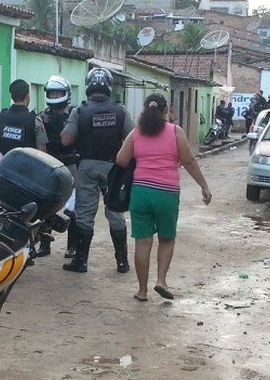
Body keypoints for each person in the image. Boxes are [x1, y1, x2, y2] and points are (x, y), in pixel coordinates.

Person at [115, 93, 212, 302]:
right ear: (166, 110)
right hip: (166, 193)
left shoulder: (135, 133)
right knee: (166, 238)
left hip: (140, 193)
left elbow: (121, 160)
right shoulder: (175, 132)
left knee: (143, 242)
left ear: (144, 110)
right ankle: (161, 280)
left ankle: (142, 291)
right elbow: (189, 162)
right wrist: (204, 186)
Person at [60, 68, 133, 274]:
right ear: (109, 86)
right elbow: (132, 137)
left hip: (87, 165)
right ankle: (122, 262)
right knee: (116, 212)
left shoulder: (80, 110)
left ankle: (81, 262)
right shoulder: (120, 110)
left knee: (84, 213)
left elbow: (65, 139)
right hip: (114, 166)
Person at [38, 75, 80, 258]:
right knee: (46, 206)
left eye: (58, 92)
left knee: (73, 207)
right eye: (52, 92)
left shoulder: (75, 113)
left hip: (71, 162)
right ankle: (44, 245)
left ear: (66, 93)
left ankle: (72, 247)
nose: (55, 96)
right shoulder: (42, 116)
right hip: (50, 164)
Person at [0, 79, 46, 154]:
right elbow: (42, 153)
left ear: (11, 97)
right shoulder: (35, 121)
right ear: (28, 96)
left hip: (4, 164)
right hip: (27, 165)